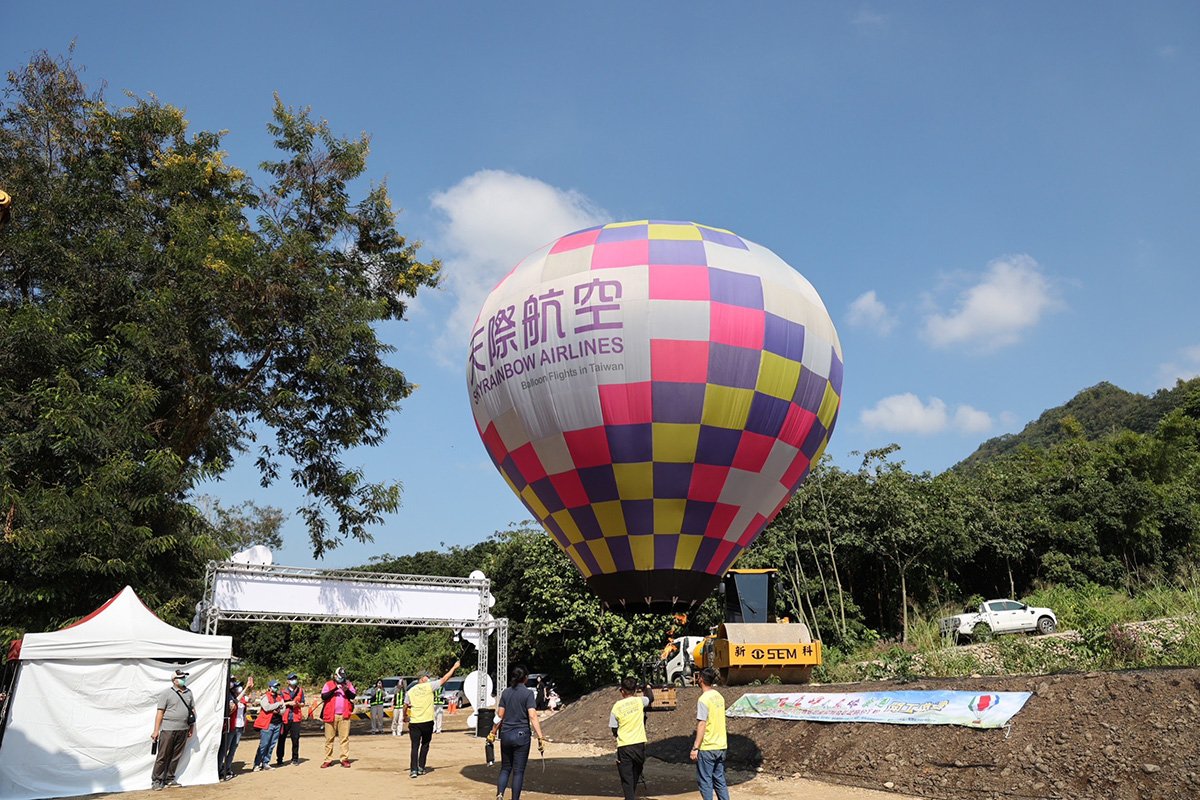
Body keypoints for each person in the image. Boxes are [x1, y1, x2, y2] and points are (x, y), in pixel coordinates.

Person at [487, 666, 546, 800]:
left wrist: (493, 732)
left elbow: (499, 716)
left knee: (505, 768)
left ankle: (500, 794)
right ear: (525, 678)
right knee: (518, 772)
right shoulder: (528, 694)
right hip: (522, 735)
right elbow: (532, 716)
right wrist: (540, 737)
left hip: (506, 734)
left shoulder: (506, 693)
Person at [404, 659, 459, 778]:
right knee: (425, 744)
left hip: (414, 722)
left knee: (414, 746)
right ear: (422, 678)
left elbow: (405, 704)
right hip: (427, 721)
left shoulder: (410, 691)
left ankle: (413, 770)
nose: (428, 678)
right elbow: (445, 679)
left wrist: (405, 716)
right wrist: (454, 667)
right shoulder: (429, 686)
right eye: (427, 676)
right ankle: (421, 767)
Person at [150, 669, 196, 790]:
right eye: (180, 677)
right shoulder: (166, 693)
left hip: (183, 729)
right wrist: (156, 730)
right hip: (168, 729)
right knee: (163, 755)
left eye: (184, 677)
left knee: (176, 755)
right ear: (174, 680)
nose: (183, 679)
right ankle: (156, 780)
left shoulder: (189, 693)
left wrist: (191, 726)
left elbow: (192, 711)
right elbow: (160, 713)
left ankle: (170, 778)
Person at [608, 676, 652, 800]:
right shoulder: (639, 701)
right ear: (635, 690)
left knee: (627, 779)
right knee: (636, 773)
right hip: (639, 745)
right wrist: (647, 688)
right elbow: (650, 698)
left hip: (624, 746)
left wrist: (618, 735)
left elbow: (614, 728)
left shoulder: (616, 706)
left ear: (622, 691)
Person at [690, 667, 729, 800]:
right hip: (721, 745)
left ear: (700, 679)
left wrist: (695, 747)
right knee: (720, 780)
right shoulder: (719, 696)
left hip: (707, 747)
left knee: (705, 781)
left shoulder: (703, 699)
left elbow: (702, 724)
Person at [320, 666, 357, 768]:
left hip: (344, 715)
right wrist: (335, 689)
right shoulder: (328, 684)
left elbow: (353, 696)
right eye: (340, 676)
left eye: (343, 676)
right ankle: (328, 759)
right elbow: (324, 696)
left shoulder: (348, 684)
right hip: (330, 715)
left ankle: (344, 758)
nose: (341, 678)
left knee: (344, 739)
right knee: (329, 739)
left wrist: (346, 690)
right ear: (335, 675)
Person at [222, 677, 252, 780]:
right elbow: (231, 706)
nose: (238, 687)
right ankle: (220, 769)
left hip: (239, 726)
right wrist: (246, 688)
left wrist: (249, 688)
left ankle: (227, 768)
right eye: (237, 685)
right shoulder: (230, 697)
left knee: (233, 749)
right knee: (225, 749)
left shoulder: (242, 699)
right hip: (231, 726)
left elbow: (249, 699)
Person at [253, 680, 285, 771]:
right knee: (264, 744)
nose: (276, 688)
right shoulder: (265, 697)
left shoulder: (279, 697)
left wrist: (277, 710)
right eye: (274, 686)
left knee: (271, 744)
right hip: (267, 724)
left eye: (277, 686)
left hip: (277, 723)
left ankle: (266, 763)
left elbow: (283, 710)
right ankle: (257, 763)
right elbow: (266, 708)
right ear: (270, 687)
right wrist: (278, 705)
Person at [275, 673, 305, 765]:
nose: (294, 680)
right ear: (288, 681)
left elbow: (303, 703)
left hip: (296, 718)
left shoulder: (300, 691)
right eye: (292, 679)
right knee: (281, 738)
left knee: (295, 739)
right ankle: (279, 758)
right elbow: (279, 704)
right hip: (285, 718)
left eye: (295, 678)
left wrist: (298, 704)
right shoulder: (282, 692)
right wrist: (289, 703)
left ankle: (295, 758)